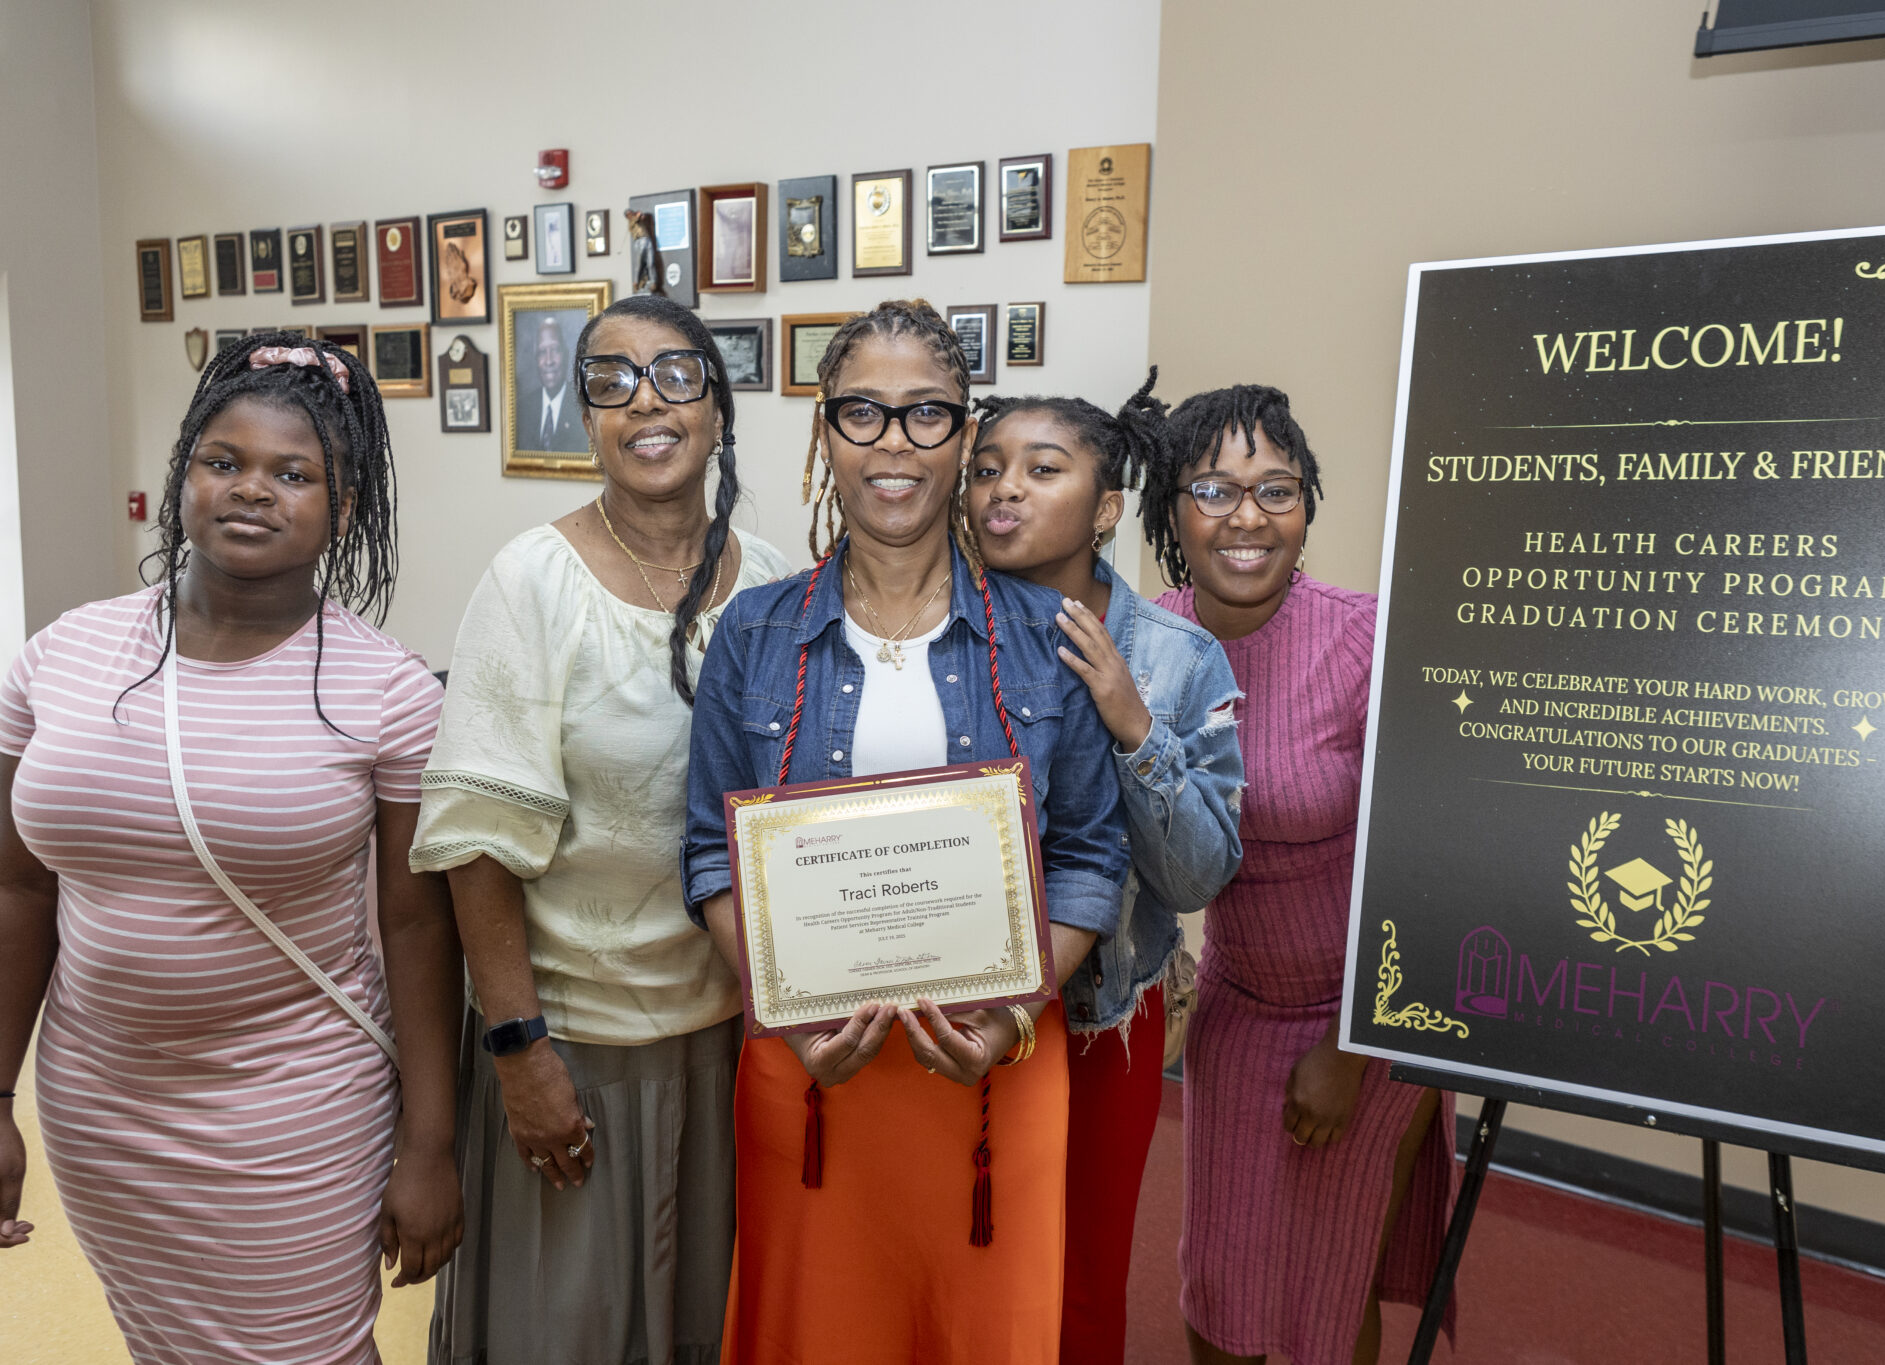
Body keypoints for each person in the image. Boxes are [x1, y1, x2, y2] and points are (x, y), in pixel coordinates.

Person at [683, 299, 1131, 1364]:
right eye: (862, 413)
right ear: (823, 435)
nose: (893, 443)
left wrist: (1011, 1011)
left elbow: (1089, 857)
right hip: (809, 1071)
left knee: (980, 1334)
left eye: (926, 414)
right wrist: (791, 1016)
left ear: (965, 434)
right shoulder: (752, 631)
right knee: (816, 1332)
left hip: (998, 1069)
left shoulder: (1042, 639)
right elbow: (709, 849)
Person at [0, 333, 464, 1363]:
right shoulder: (63, 655)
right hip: (98, 1098)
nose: (252, 491)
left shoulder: (385, 691)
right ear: (184, 478)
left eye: (293, 474)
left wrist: (430, 1143)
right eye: (225, 461)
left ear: (344, 509)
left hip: (291, 1103)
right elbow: (18, 890)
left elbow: (414, 925)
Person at [410, 293, 787, 1365]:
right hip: (574, 1046)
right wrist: (519, 1052)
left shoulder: (768, 582)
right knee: (569, 1336)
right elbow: (475, 845)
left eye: (675, 374)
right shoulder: (531, 583)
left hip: (728, 1039)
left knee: (702, 1327)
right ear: (586, 418)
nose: (645, 402)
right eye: (610, 381)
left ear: (717, 409)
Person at [1141, 386, 1456, 1365]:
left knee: (1327, 1284)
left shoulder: (1363, 638)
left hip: (1363, 1013)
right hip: (1237, 1003)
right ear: (1170, 510)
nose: (1246, 517)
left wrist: (1352, 1045)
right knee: (1218, 1282)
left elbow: (1428, 856)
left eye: (1274, 489)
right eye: (1214, 489)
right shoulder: (1146, 642)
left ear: (1306, 505)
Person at [965, 371, 1245, 1363]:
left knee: (1076, 1285)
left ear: (1108, 507)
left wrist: (1134, 728)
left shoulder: (1174, 658)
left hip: (1095, 1022)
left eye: (1043, 470)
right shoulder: (926, 629)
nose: (1005, 488)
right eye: (987, 468)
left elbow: (1197, 879)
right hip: (945, 1008)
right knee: (956, 1270)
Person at [517, 314, 584, 453]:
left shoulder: (581, 407)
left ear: (565, 355)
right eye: (542, 352)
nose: (549, 361)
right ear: (536, 359)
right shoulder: (522, 409)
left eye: (554, 350)